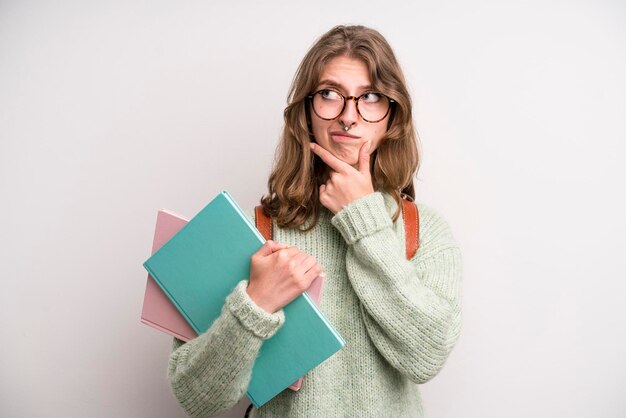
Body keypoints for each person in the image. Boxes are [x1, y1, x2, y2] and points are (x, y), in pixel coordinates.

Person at [167, 25, 462, 418]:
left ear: (392, 117)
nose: (347, 117)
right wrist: (255, 304)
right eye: (329, 94)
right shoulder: (254, 231)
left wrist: (364, 220)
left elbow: (425, 357)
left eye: (370, 97)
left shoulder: (423, 231)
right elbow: (196, 399)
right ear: (306, 112)